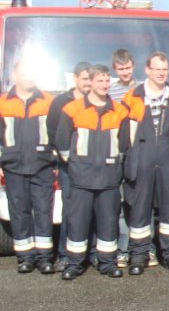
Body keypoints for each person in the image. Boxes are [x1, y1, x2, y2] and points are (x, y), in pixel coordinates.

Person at [55, 64, 130, 280]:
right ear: (91, 82)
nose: (104, 85)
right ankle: (75, 264)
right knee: (77, 223)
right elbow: (62, 142)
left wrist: (114, 166)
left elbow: (124, 145)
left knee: (108, 222)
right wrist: (77, 164)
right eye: (100, 80)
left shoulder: (120, 111)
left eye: (107, 81)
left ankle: (107, 263)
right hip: (81, 178)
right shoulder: (72, 109)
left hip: (109, 178)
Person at [121, 52, 169, 275]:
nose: (161, 73)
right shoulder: (133, 96)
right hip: (141, 159)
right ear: (147, 70)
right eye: (156, 69)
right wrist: (129, 162)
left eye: (164, 69)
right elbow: (123, 134)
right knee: (139, 210)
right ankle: (138, 255)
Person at [0, 61, 57, 274]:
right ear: (15, 76)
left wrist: (54, 160)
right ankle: (25, 258)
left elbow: (57, 132)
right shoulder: (3, 103)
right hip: (13, 167)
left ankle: (44, 258)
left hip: (42, 166)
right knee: (19, 212)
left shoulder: (48, 101)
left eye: (31, 74)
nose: (29, 78)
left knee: (43, 211)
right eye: (24, 75)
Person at [47, 60, 92, 270]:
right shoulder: (60, 102)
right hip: (68, 167)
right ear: (75, 79)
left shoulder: (97, 101)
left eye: (90, 79)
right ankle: (65, 254)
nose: (88, 83)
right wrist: (64, 157)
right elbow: (52, 132)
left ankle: (91, 253)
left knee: (93, 210)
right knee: (70, 210)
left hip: (92, 166)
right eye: (84, 79)